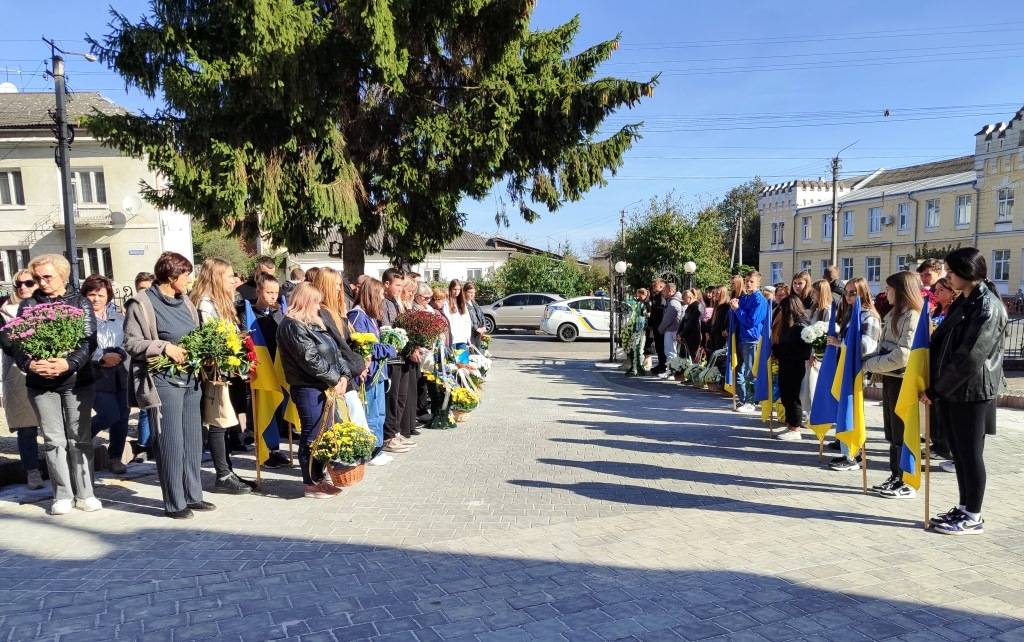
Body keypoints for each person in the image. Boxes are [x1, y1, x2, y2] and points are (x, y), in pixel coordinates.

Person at [124, 252, 214, 518]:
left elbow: (196, 335)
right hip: (162, 382)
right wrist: (163, 347)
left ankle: (193, 495)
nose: (189, 280)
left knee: (193, 441)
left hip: (191, 380)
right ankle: (175, 503)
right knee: (171, 443)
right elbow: (130, 343)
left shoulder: (184, 301)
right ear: (171, 276)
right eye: (186, 275)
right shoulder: (141, 303)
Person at [924, 248, 1007, 535]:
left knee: (971, 454)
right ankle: (963, 506)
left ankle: (973, 515)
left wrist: (937, 389)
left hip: (972, 391)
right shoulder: (967, 301)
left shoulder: (988, 307)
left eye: (951, 272)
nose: (947, 277)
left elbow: (971, 356)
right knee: (959, 452)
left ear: (967, 272)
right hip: (954, 391)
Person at [14, 255, 100, 515]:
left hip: (76, 382)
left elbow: (88, 341)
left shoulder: (80, 302)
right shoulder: (29, 305)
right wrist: (30, 364)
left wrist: (68, 363)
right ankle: (62, 494)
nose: (42, 282)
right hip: (41, 383)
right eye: (37, 278)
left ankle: (85, 493)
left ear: (63, 275)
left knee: (80, 438)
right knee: (53, 440)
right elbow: (16, 342)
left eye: (47, 277)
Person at [276, 283, 350, 499]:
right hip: (308, 387)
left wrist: (344, 375)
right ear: (305, 302)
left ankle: (320, 476)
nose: (319, 306)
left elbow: (335, 352)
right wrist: (335, 378)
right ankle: (311, 483)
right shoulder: (292, 325)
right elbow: (310, 359)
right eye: (316, 301)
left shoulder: (313, 324)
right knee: (313, 435)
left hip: (323, 385)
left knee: (325, 434)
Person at [190, 258, 252, 495]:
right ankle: (222, 474)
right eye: (228, 276)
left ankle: (228, 469)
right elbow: (213, 339)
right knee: (218, 421)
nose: (233, 280)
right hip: (215, 372)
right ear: (216, 277)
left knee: (226, 422)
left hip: (228, 369)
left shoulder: (221, 301)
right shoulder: (205, 304)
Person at [862, 271, 923, 498]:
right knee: (892, 432)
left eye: (889, 289)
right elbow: (884, 345)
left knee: (902, 432)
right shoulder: (894, 313)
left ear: (901, 290)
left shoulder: (913, 316)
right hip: (890, 378)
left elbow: (903, 355)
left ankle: (906, 478)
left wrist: (871, 364)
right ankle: (895, 475)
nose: (885, 292)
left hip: (903, 380)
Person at [827, 277, 882, 470]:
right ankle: (847, 452)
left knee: (853, 412)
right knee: (845, 411)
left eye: (853, 293)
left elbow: (868, 345)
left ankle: (853, 455)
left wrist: (841, 342)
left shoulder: (869, 316)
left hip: (857, 371)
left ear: (863, 293)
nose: (849, 296)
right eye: (847, 292)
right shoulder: (852, 313)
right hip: (846, 367)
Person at [82, 275, 130, 475]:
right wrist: (102, 356)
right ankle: (82, 439)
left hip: (120, 373)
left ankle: (115, 457)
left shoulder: (119, 318)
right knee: (110, 414)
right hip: (96, 374)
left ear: (108, 295)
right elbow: (82, 346)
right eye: (91, 294)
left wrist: (120, 353)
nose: (96, 299)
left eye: (100, 294)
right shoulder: (81, 318)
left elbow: (129, 341)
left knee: (122, 418)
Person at [1, 270, 44, 489]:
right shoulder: (4, 310)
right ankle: (32, 471)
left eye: (29, 283)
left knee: (52, 422)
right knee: (26, 426)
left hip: (47, 367)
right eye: (19, 283)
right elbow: (8, 344)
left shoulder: (46, 305)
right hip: (17, 371)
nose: (24, 287)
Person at [348, 278, 396, 466]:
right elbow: (364, 348)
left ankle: (377, 448)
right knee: (371, 414)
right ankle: (371, 452)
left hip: (379, 372)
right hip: (369, 374)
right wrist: (389, 349)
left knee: (379, 414)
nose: (382, 299)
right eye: (381, 295)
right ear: (371, 295)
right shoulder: (357, 316)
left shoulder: (368, 316)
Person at [250, 276, 291, 469]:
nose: (273, 296)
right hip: (262, 368)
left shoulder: (278, 313)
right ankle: (267, 449)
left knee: (277, 407)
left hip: (278, 367)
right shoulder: (249, 313)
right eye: (269, 292)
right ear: (258, 291)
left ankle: (275, 449)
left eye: (276, 292)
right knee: (264, 407)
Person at [381, 269, 418, 453]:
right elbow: (388, 329)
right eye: (397, 285)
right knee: (392, 398)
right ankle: (388, 436)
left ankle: (395, 432)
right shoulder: (385, 303)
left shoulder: (396, 302)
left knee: (401, 397)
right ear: (386, 285)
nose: (399, 289)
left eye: (401, 286)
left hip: (402, 357)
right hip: (392, 359)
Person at [772, 295, 811, 441]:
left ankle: (795, 428)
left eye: (782, 308)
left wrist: (781, 351)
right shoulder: (789, 324)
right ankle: (790, 424)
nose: (780, 311)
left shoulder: (801, 326)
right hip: (785, 364)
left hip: (794, 366)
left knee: (792, 396)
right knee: (786, 395)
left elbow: (803, 351)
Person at [730, 272, 769, 413]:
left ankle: (751, 401)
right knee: (742, 370)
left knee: (750, 372)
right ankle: (745, 398)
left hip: (752, 338)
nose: (748, 283)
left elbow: (751, 321)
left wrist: (737, 309)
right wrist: (735, 307)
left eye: (751, 281)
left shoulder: (759, 300)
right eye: (746, 281)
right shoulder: (747, 297)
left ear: (758, 283)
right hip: (743, 338)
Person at [131, 272, 155, 461]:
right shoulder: (134, 309)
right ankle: (144, 445)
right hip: (142, 363)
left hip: (159, 362)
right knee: (146, 408)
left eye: (148, 289)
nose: (144, 294)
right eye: (141, 289)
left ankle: (156, 443)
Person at [657, 283, 683, 378]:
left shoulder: (673, 303)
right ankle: (670, 371)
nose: (663, 292)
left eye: (665, 290)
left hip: (671, 330)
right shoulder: (671, 301)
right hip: (672, 330)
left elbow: (667, 319)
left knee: (671, 352)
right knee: (670, 351)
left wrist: (661, 329)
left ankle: (673, 372)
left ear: (671, 291)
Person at [444, 279, 473, 349]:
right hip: (452, 338)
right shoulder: (446, 302)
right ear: (450, 289)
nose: (457, 292)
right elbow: (448, 320)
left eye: (459, 290)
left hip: (462, 338)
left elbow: (467, 320)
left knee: (463, 359)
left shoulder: (462, 303)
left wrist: (468, 337)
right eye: (454, 289)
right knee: (453, 359)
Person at [679, 288, 704, 361]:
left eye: (684, 299)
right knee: (684, 358)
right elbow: (684, 321)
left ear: (689, 298)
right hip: (686, 336)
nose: (683, 301)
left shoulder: (698, 306)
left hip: (693, 336)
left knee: (692, 358)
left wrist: (681, 334)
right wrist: (679, 333)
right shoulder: (689, 307)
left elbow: (692, 322)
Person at [648, 279, 666, 374]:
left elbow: (661, 311)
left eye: (656, 286)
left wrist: (659, 326)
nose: (654, 288)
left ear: (661, 287)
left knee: (661, 347)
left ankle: (663, 366)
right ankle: (660, 364)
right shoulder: (655, 296)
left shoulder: (662, 297)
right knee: (659, 347)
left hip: (660, 326)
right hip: (656, 325)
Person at [464, 282, 487, 351]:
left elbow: (481, 315)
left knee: (480, 353)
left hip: (478, 333)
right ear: (464, 292)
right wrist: (476, 328)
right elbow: (466, 320)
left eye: (473, 292)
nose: (472, 294)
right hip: (471, 333)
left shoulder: (474, 303)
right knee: (471, 355)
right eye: (470, 292)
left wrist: (484, 326)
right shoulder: (463, 304)